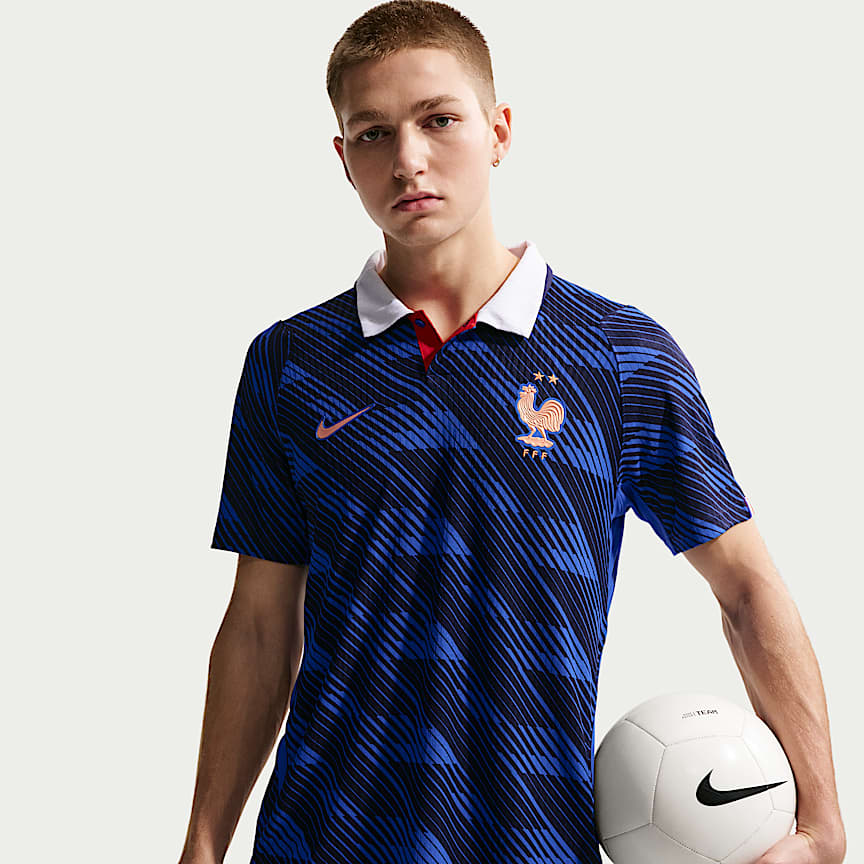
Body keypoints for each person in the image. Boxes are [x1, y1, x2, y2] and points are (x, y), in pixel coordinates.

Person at [179, 3, 846, 863]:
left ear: (498, 131)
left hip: (532, 841)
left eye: (438, 120)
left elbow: (748, 588)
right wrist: (201, 848)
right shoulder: (290, 362)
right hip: (320, 840)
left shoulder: (617, 355)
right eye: (374, 133)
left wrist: (823, 823)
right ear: (343, 160)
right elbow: (260, 625)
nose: (408, 159)